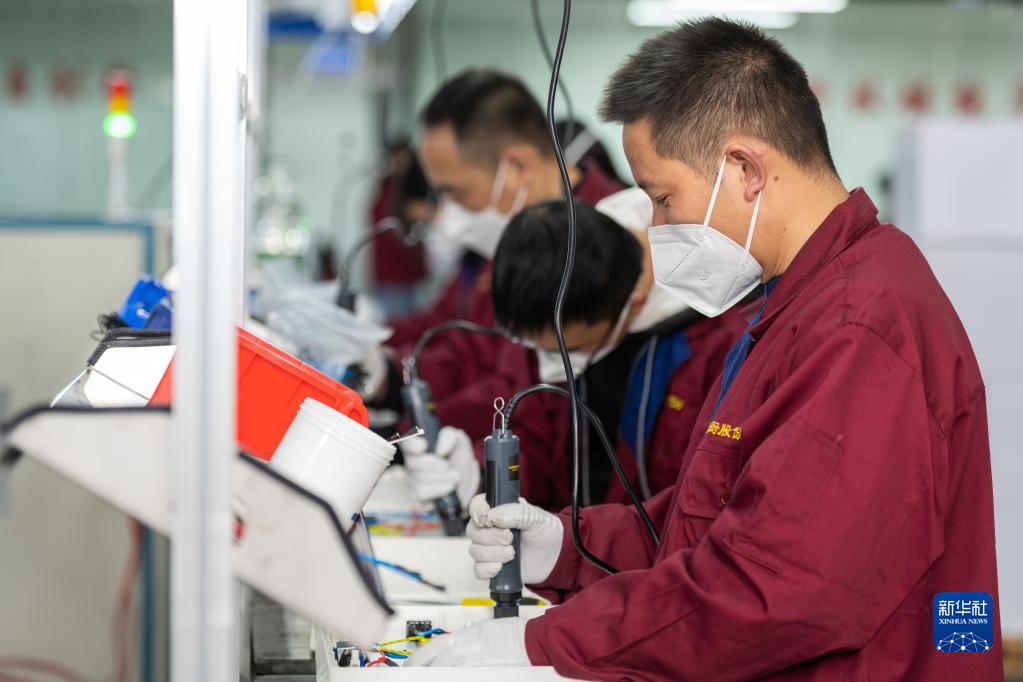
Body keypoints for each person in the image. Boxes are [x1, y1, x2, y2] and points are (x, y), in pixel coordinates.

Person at [407, 18, 1001, 680]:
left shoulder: (859, 326)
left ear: (744, 169)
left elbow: (773, 592)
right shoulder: (791, 305)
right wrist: (569, 546)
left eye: (663, 199)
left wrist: (550, 641)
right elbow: (716, 519)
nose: (655, 227)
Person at [375, 70, 623, 492]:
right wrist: (390, 376)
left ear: (518, 166)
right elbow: (474, 352)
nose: (448, 213)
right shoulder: (512, 240)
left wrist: (475, 468)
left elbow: (546, 412)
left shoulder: (606, 249)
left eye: (456, 192)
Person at [483, 198, 744, 510]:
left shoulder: (715, 346)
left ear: (633, 305)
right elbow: (536, 438)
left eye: (570, 350)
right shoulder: (554, 284)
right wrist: (483, 475)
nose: (549, 365)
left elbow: (696, 501)